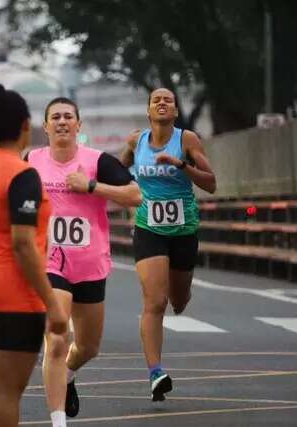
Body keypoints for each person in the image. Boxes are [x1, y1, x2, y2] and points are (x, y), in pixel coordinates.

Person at [26, 97, 141, 425]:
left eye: (68, 117)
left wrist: (91, 186)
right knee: (57, 336)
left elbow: (135, 196)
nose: (62, 122)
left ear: (79, 125)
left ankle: (69, 374)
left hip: (90, 264)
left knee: (88, 346)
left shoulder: (98, 161)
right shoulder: (31, 160)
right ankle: (58, 420)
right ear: (46, 126)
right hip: (51, 262)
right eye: (55, 117)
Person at [0, 84, 67, 427]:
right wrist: (52, 302)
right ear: (24, 127)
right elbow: (23, 244)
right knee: (6, 394)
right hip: (13, 294)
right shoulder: (23, 175)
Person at [120, 88, 216, 402]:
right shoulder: (136, 141)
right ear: (148, 111)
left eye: (168, 100)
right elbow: (118, 172)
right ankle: (155, 372)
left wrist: (181, 166)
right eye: (156, 100)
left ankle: (183, 293)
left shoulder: (187, 140)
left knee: (178, 299)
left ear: (175, 111)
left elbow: (211, 183)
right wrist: (123, 192)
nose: (162, 103)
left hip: (184, 229)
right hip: (149, 227)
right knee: (155, 302)